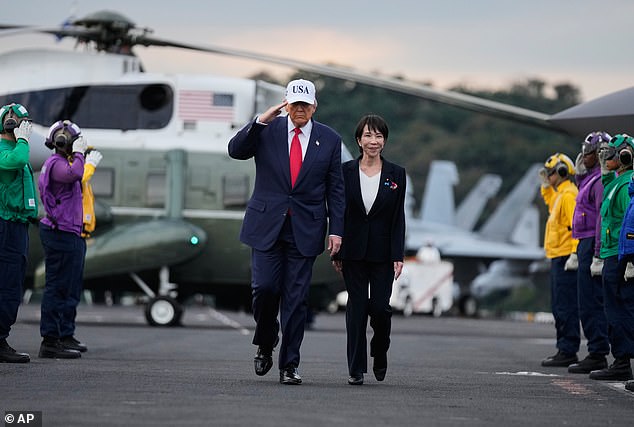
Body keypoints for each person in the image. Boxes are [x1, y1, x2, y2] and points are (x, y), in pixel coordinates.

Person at [228, 79, 345, 385]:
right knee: (265, 289)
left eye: (305, 105)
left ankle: (289, 365)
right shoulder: (267, 130)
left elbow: (336, 188)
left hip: (305, 229)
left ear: (314, 107)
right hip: (266, 225)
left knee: (296, 300)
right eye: (294, 104)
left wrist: (337, 231)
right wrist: (259, 121)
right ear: (286, 104)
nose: (300, 109)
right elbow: (235, 150)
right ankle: (266, 341)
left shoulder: (329, 140)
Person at [332, 114, 406, 385]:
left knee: (380, 309)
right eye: (368, 136)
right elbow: (339, 211)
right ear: (359, 140)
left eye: (378, 136)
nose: (373, 141)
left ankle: (380, 349)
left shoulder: (396, 174)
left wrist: (398, 254)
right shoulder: (345, 171)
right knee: (357, 308)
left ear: (384, 141)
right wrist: (337, 250)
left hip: (383, 252)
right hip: (352, 250)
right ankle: (356, 368)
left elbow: (399, 217)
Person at [37, 119, 94, 359]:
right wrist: (81, 154)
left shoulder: (60, 162)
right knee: (57, 287)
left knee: (68, 287)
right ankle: (50, 340)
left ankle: (61, 335)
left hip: (69, 231)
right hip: (60, 232)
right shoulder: (57, 164)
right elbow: (75, 174)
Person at [588, 134, 634, 381]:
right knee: (613, 308)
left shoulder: (628, 184)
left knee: (620, 309)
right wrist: (606, 171)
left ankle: (622, 361)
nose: (606, 158)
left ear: (625, 156)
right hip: (612, 253)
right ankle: (621, 360)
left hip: (620, 255)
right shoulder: (617, 182)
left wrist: (631, 258)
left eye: (611, 155)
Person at [567, 132, 611, 374]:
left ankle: (598, 352)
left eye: (590, 151)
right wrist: (579, 174)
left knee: (592, 301)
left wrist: (597, 253)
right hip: (583, 242)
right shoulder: (588, 181)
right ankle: (596, 350)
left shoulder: (599, 183)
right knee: (586, 301)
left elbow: (600, 219)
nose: (585, 155)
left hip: (593, 243)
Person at [0, 103, 38, 363]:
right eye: (11, 118)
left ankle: (1, 337)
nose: (15, 122)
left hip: (17, 224)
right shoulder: (9, 151)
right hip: (4, 223)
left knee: (12, 284)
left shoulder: (17, 148)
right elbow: (19, 160)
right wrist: (23, 139)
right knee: (5, 283)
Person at [539, 153, 580, 367]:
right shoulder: (560, 195)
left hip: (565, 257)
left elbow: (576, 227)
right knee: (558, 305)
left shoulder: (569, 195)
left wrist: (574, 253)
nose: (548, 176)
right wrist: (546, 185)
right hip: (557, 256)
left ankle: (568, 350)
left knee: (566, 306)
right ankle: (563, 348)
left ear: (562, 172)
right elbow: (549, 202)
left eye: (550, 173)